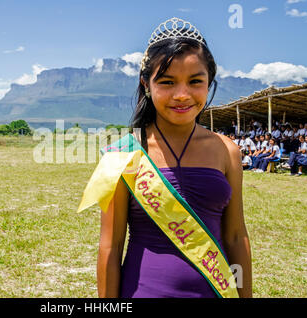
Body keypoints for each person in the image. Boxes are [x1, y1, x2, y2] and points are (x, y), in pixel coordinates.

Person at [80, 18, 252, 298]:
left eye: (195, 81)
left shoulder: (227, 151)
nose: (182, 95)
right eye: (167, 82)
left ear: (209, 83)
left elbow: (235, 236)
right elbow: (110, 247)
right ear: (146, 84)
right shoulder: (122, 154)